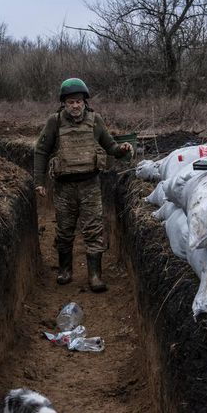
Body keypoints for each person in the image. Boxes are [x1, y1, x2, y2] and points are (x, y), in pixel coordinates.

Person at [34, 78, 133, 292]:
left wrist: (122, 149)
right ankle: (65, 270)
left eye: (78, 101)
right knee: (64, 230)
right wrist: (39, 181)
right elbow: (41, 151)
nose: (75, 106)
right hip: (63, 188)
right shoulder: (55, 122)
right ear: (64, 104)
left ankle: (95, 276)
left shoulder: (95, 120)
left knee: (94, 230)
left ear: (84, 102)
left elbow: (110, 146)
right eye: (70, 102)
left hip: (90, 185)